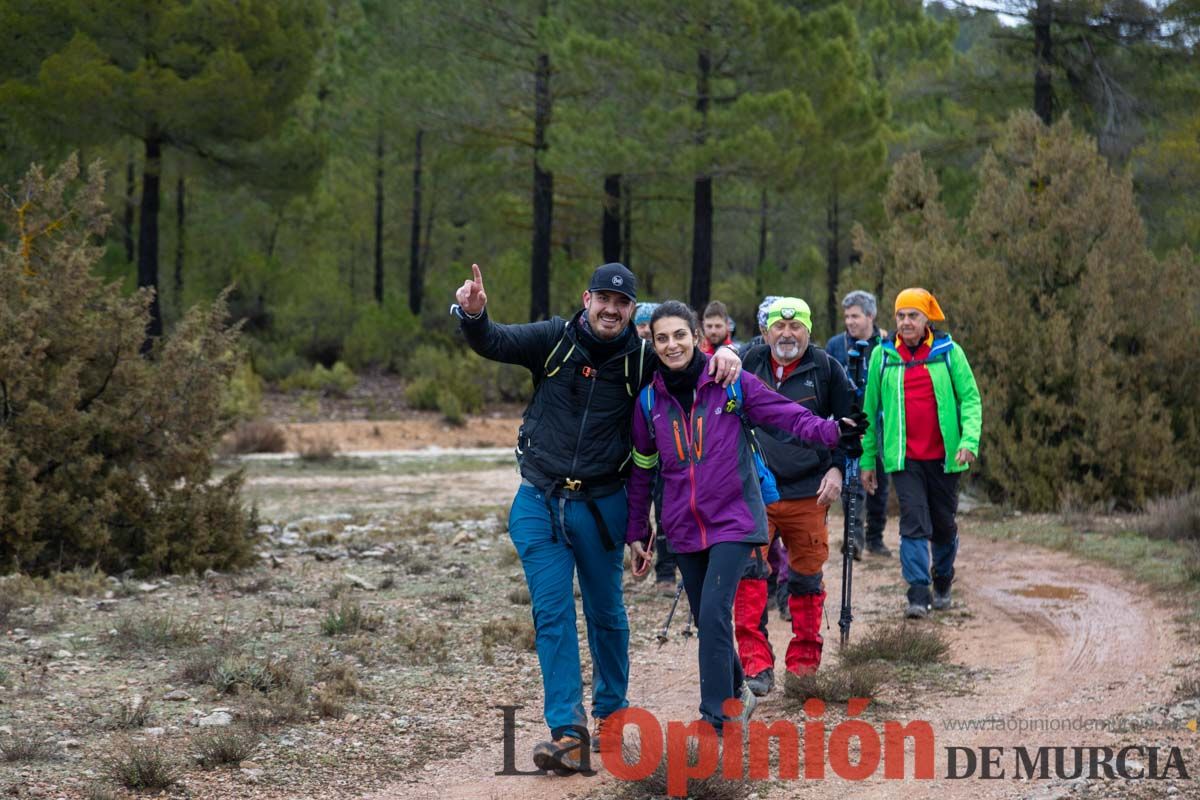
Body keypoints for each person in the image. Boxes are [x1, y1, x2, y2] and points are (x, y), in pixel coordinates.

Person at [452, 264, 742, 773]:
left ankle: (610, 716)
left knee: (606, 615)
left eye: (621, 302)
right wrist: (474, 315)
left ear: (632, 310)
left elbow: (689, 364)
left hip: (603, 506)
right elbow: (494, 342)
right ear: (587, 298)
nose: (611, 309)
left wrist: (730, 357)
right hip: (538, 502)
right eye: (603, 298)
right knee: (553, 614)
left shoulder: (641, 359)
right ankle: (567, 731)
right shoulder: (553, 340)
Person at [625, 300, 864, 734]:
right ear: (653, 344)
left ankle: (717, 717)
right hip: (682, 525)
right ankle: (739, 687)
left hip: (734, 518)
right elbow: (643, 470)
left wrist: (833, 431)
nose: (672, 344)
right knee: (705, 617)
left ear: (697, 336)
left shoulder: (728, 381)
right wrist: (637, 529)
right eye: (662, 338)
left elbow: (784, 413)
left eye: (680, 335)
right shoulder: (648, 400)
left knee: (716, 612)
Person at [734, 298, 856, 695]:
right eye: (779, 327)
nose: (787, 334)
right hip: (755, 492)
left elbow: (852, 425)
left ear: (809, 330)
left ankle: (804, 663)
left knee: (805, 579)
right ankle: (756, 665)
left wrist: (839, 468)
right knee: (749, 576)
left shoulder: (826, 369)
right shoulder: (747, 361)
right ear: (766, 331)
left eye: (796, 327)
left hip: (809, 493)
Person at [861, 288, 982, 619]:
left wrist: (969, 441)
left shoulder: (948, 352)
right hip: (904, 457)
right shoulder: (882, 356)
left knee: (943, 525)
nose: (905, 322)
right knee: (913, 522)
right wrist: (867, 459)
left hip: (946, 457)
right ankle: (917, 592)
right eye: (900, 316)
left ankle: (942, 579)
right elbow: (868, 412)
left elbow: (970, 398)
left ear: (926, 318)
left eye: (913, 315)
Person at [827, 290, 892, 557]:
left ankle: (876, 538)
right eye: (846, 317)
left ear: (870, 316)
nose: (850, 322)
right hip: (850, 423)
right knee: (852, 481)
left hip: (880, 422)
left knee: (880, 482)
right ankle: (853, 540)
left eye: (855, 316)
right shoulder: (836, 345)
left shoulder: (885, 345)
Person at [634, 302, 679, 594]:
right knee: (638, 503)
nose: (644, 330)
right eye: (640, 324)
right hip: (635, 441)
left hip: (668, 443)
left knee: (665, 510)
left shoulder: (668, 355)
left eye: (649, 326)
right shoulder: (627, 355)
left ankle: (666, 573)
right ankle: (639, 557)